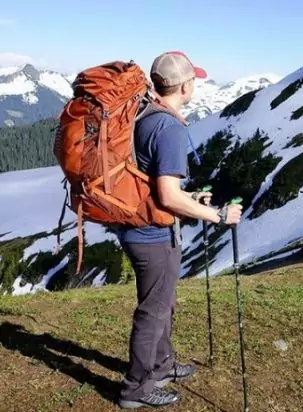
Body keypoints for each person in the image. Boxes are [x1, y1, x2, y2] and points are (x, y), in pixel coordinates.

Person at [115, 51, 243, 409]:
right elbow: (168, 197)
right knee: (153, 311)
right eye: (194, 79)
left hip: (140, 229)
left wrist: (192, 197)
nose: (196, 84)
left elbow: (155, 182)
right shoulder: (168, 126)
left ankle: (161, 364)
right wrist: (217, 215)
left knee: (162, 304)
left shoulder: (145, 114)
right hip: (152, 236)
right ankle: (136, 388)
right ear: (184, 85)